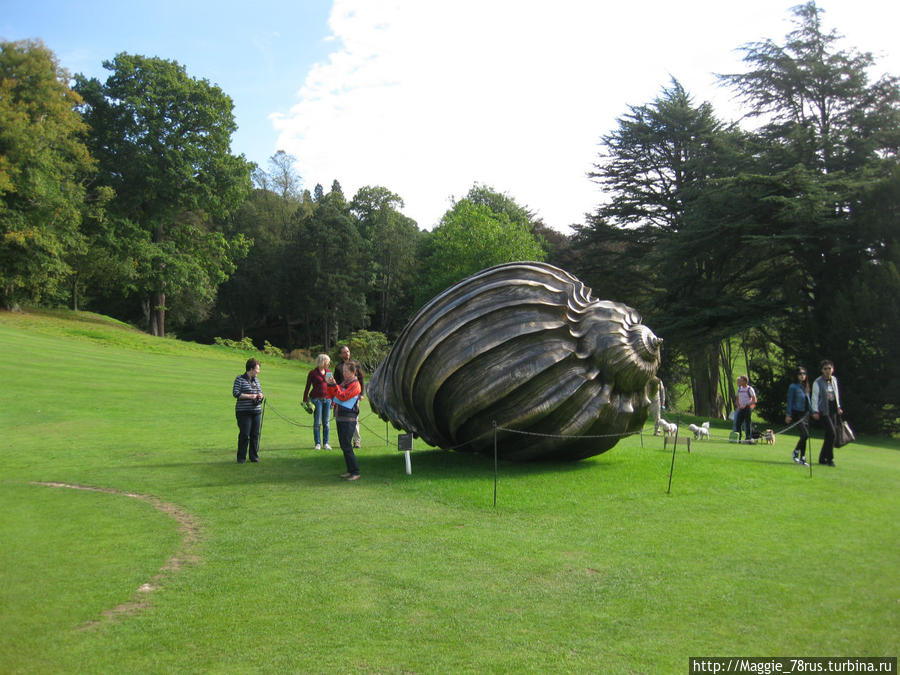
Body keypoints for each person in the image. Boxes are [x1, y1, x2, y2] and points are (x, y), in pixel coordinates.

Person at [327, 361, 362, 480]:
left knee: (347, 445)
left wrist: (335, 386)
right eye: (343, 371)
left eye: (346, 371)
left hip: (349, 418)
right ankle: (350, 470)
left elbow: (343, 396)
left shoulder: (355, 385)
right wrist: (331, 385)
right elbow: (334, 396)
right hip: (340, 416)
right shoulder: (343, 383)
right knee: (343, 445)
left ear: (353, 372)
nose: (344, 373)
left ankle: (356, 472)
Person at [811, 360, 843, 467]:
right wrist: (815, 411)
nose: (828, 371)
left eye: (829, 368)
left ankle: (822, 458)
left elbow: (836, 394)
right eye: (825, 369)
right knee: (832, 433)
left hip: (833, 409)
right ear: (822, 370)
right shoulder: (817, 382)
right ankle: (830, 459)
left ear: (833, 369)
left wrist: (838, 406)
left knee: (829, 435)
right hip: (823, 411)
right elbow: (814, 398)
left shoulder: (834, 380)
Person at [233, 357, 264, 463]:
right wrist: (251, 396)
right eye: (257, 369)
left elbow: (259, 392)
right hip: (243, 412)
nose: (258, 371)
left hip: (256, 411)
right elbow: (236, 393)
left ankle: (254, 456)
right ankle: (241, 457)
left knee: (255, 434)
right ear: (251, 369)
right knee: (245, 434)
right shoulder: (239, 379)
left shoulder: (257, 381)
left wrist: (260, 396)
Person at [334, 344, 364, 448]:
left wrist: (361, 393)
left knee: (354, 417)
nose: (347, 353)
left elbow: (361, 379)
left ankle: (356, 440)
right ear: (340, 354)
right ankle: (346, 440)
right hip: (342, 396)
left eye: (348, 351)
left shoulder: (356, 364)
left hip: (354, 394)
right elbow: (336, 383)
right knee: (342, 418)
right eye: (344, 352)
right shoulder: (338, 367)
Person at [303, 354, 333, 450]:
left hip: (327, 400)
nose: (329, 363)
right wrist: (304, 400)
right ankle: (318, 443)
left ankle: (326, 443)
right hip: (316, 400)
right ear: (323, 361)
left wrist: (334, 401)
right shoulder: (313, 373)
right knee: (317, 422)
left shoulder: (328, 372)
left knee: (326, 423)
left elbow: (332, 387)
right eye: (327, 361)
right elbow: (307, 387)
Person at [785, 367, 811, 464]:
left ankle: (802, 457)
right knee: (805, 434)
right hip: (797, 413)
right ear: (796, 375)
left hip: (805, 414)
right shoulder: (793, 387)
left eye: (804, 373)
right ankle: (796, 451)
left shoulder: (805, 387)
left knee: (804, 436)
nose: (802, 375)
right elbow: (790, 401)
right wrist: (788, 414)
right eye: (800, 374)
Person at [734, 375, 757, 442]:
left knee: (747, 423)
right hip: (740, 408)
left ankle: (748, 438)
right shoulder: (739, 389)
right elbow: (737, 399)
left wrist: (746, 405)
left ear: (745, 381)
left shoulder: (750, 389)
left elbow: (754, 400)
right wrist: (738, 405)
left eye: (741, 380)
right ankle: (738, 438)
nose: (739, 382)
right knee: (738, 423)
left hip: (747, 408)